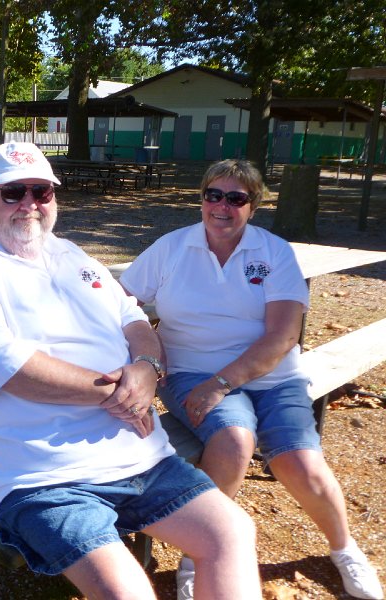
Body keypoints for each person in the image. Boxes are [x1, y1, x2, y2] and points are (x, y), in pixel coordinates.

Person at [0, 142, 262, 599]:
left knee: (232, 533)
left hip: (141, 457)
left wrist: (145, 366)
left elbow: (134, 317)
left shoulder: (70, 255)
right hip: (41, 474)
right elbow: (6, 365)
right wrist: (123, 393)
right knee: (128, 594)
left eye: (41, 191)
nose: (30, 204)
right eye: (12, 192)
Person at [121, 159, 384, 600]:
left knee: (300, 463)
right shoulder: (171, 248)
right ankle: (199, 555)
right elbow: (123, 301)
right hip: (190, 371)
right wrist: (144, 351)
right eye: (213, 195)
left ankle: (345, 550)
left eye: (236, 198)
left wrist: (224, 382)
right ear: (202, 199)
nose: (222, 207)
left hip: (274, 377)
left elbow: (283, 336)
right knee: (234, 439)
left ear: (253, 206)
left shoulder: (273, 252)